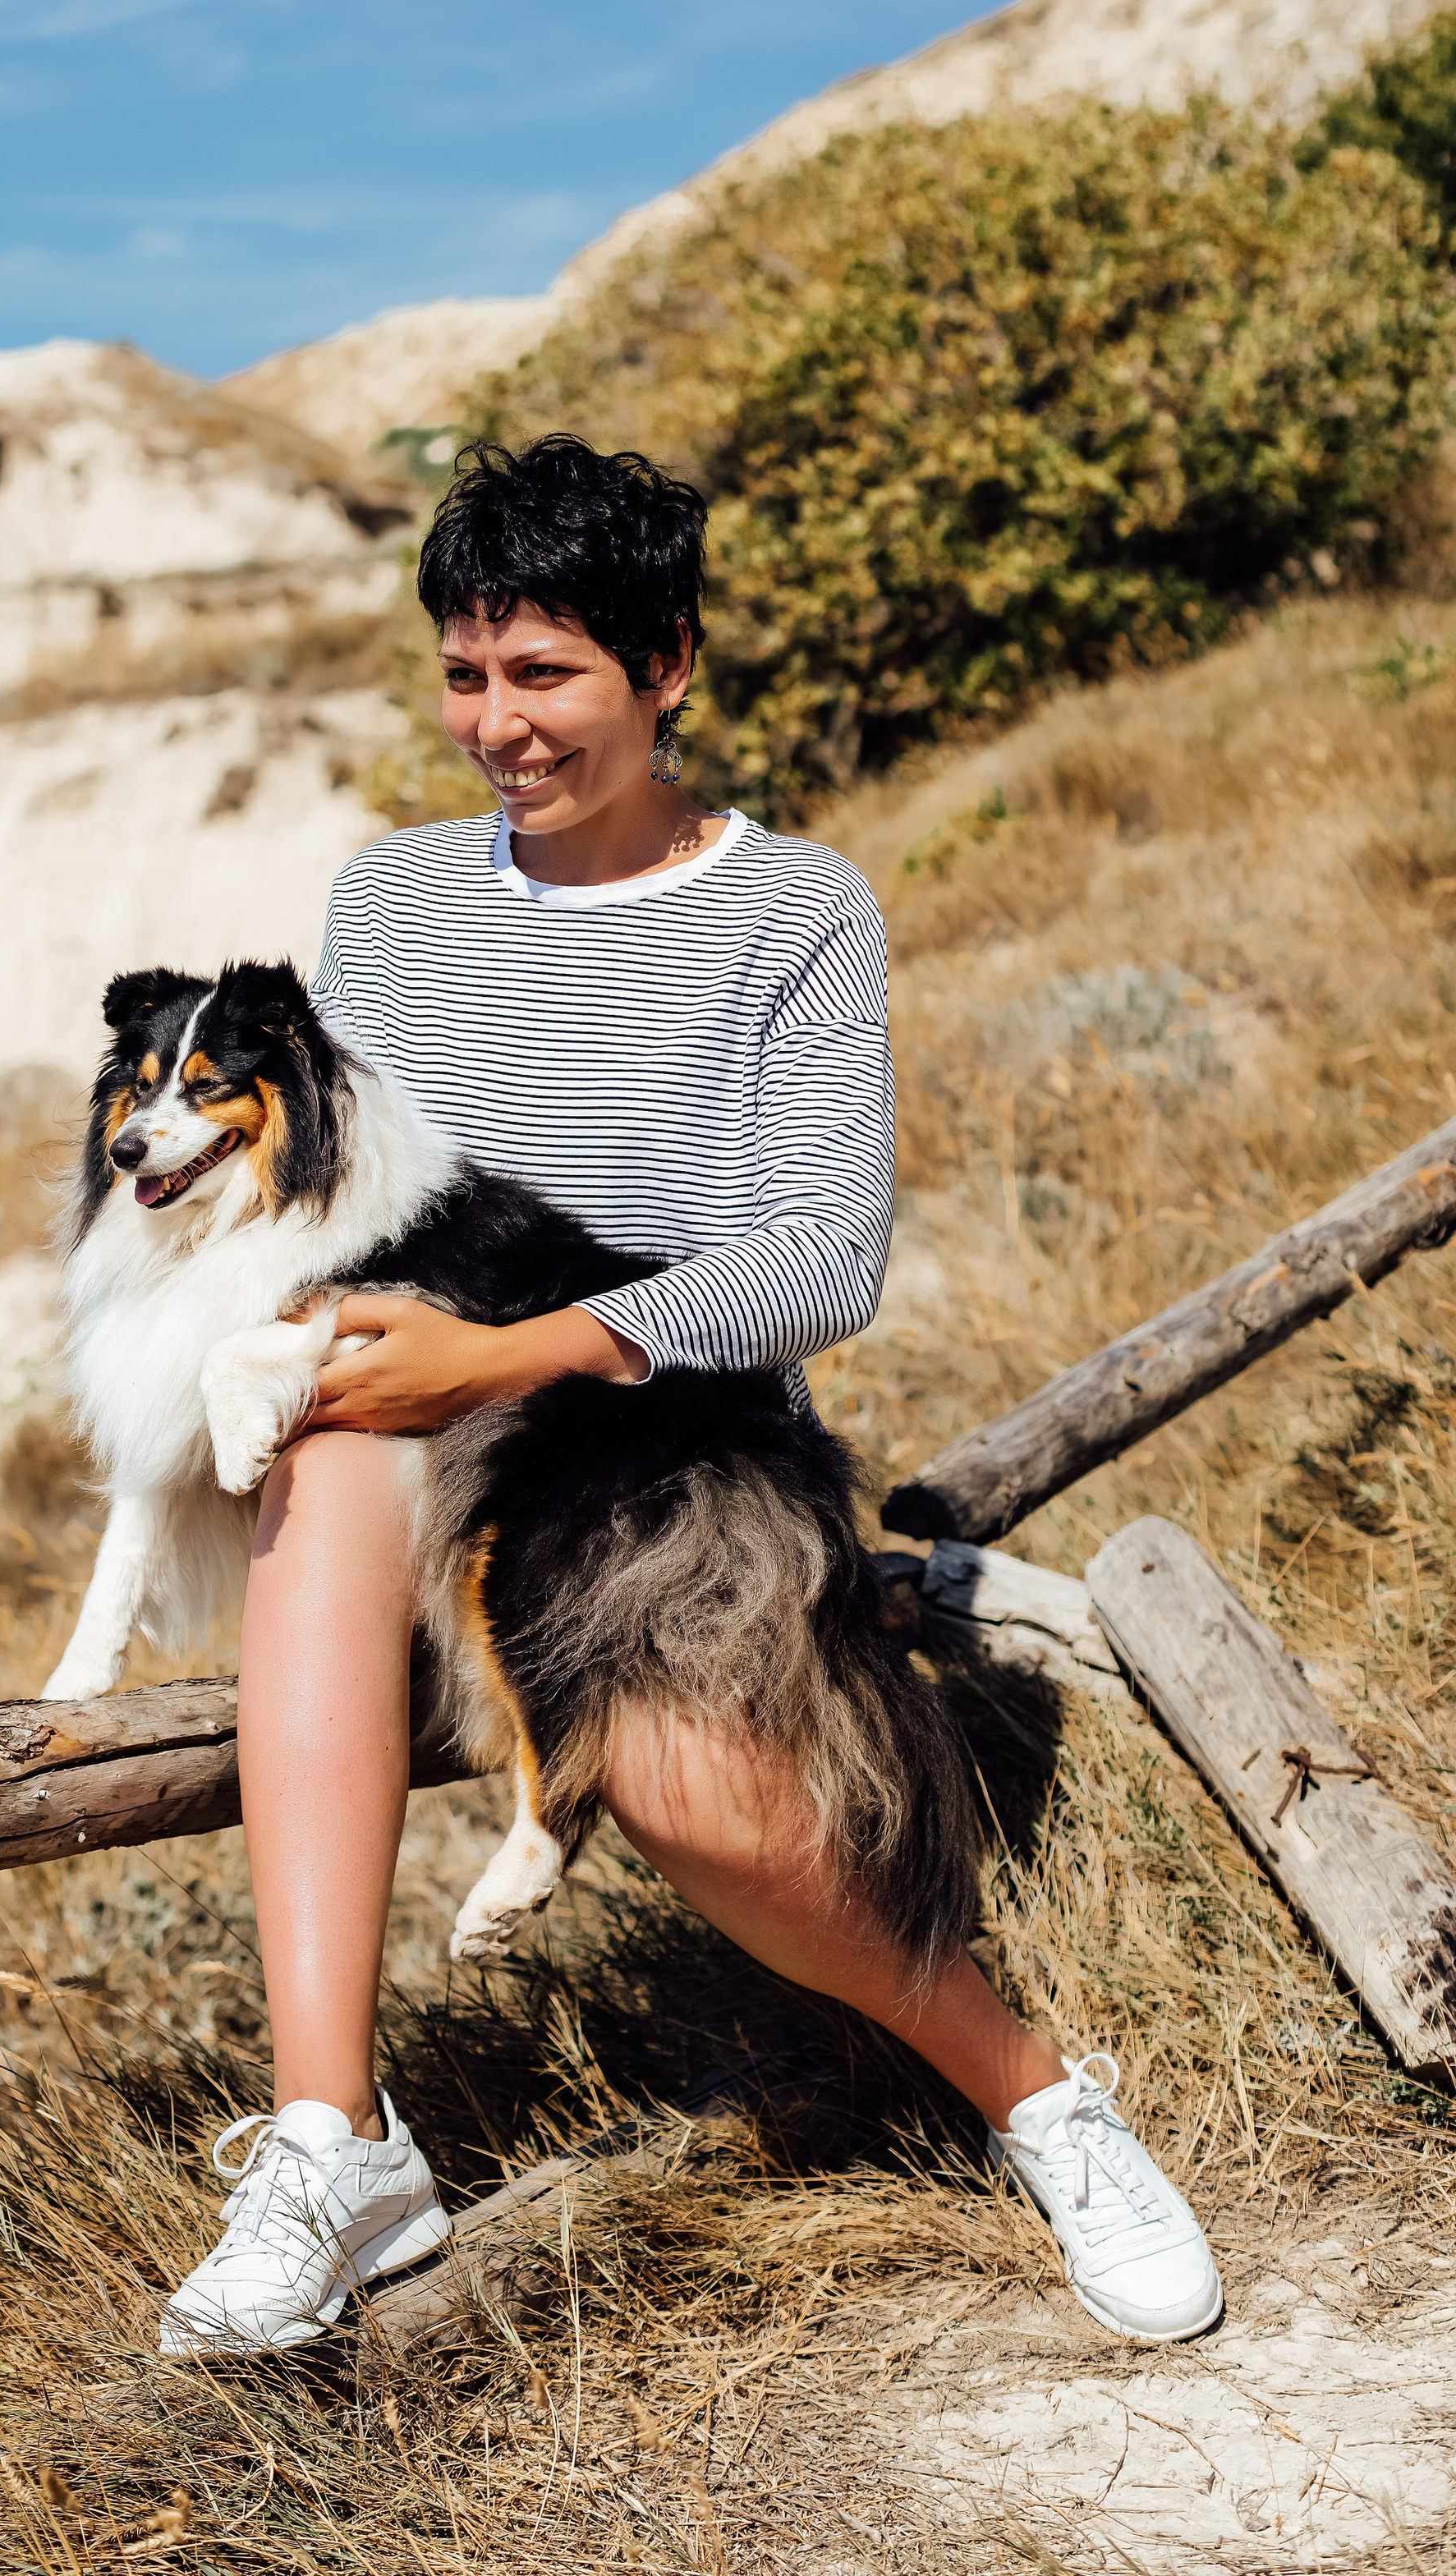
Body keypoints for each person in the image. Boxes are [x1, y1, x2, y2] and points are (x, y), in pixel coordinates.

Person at [161, 436, 1220, 2356]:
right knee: (312, 1472)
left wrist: (513, 1355)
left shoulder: (792, 911)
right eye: (465, 675)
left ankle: (1037, 2093)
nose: (499, 724)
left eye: (545, 673)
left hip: (676, 1424)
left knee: (693, 1795)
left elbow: (821, 1260)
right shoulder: (389, 906)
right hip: (424, 1394)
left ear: (666, 669)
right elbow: (343, 1195)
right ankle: (333, 2139)